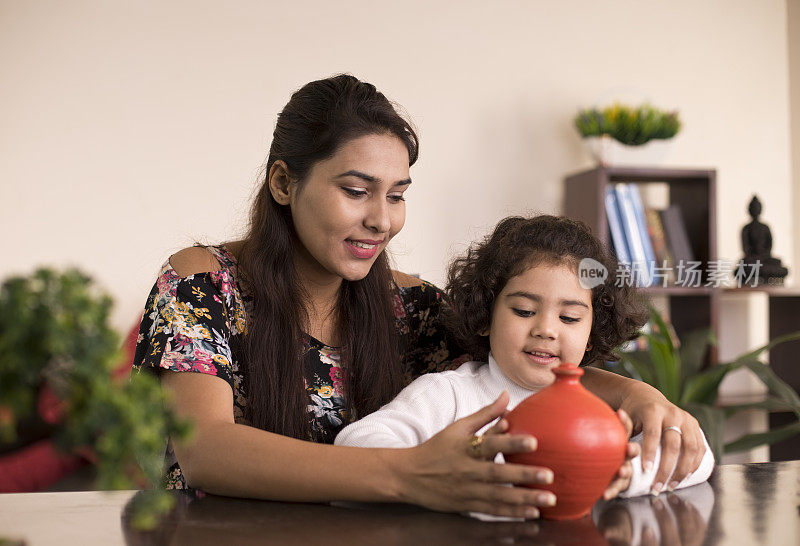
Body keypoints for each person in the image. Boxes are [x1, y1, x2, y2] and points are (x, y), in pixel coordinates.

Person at [133, 74, 708, 519]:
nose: (381, 220)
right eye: (356, 191)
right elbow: (203, 447)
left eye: (398, 195)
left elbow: (515, 366)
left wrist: (635, 396)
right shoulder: (201, 283)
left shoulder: (413, 307)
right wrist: (406, 474)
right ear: (284, 182)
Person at [335, 215, 714, 505]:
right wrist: (442, 471)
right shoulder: (449, 394)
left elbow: (697, 458)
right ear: (486, 316)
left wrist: (625, 476)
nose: (546, 330)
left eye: (569, 318)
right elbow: (356, 444)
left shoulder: (604, 406)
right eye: (523, 310)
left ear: (593, 329)